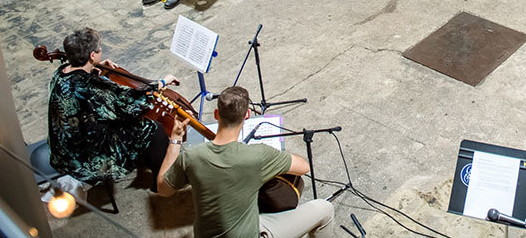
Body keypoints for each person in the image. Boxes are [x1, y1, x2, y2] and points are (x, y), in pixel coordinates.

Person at [157, 86, 334, 238]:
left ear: (217, 114)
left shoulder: (191, 156)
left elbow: (163, 189)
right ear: (247, 115)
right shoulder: (259, 154)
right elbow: (303, 167)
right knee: (325, 210)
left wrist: (176, 138)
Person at [48, 27, 177, 189]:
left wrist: (96, 67)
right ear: (92, 55)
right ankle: (161, 184)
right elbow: (129, 100)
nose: (101, 51)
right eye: (99, 50)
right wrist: (162, 83)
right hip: (85, 157)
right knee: (154, 130)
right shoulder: (92, 86)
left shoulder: (60, 73)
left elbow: (80, 92)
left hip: (62, 148)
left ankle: (146, 159)